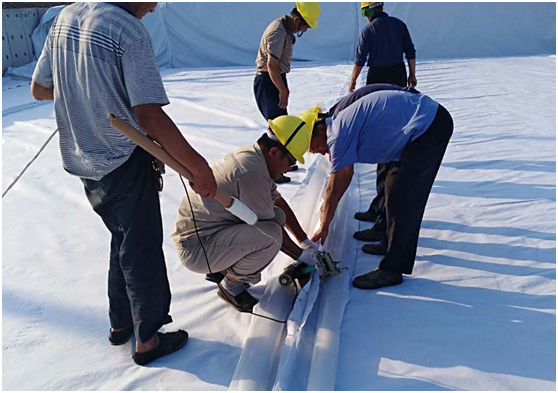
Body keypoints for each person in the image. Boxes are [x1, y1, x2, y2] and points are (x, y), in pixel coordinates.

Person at [31, 2, 217, 366]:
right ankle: (147, 339)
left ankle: (121, 324)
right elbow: (148, 114)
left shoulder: (65, 17)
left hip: (83, 156)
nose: (155, 6)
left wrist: (84, 96)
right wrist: (198, 166)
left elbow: (40, 88)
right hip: (121, 158)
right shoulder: (127, 31)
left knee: (122, 235)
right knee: (141, 245)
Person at [172, 113, 321, 312]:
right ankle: (231, 287)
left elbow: (278, 203)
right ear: (275, 152)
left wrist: (304, 240)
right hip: (196, 249)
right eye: (291, 161)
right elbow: (271, 235)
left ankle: (224, 267)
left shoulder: (255, 157)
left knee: (278, 217)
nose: (289, 169)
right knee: (271, 236)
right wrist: (303, 256)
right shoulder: (252, 173)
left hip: (210, 233)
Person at [305, 90, 453, 289]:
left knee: (405, 199)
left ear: (321, 129)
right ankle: (387, 239)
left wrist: (324, 224)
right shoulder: (339, 122)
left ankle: (392, 269)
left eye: (318, 147)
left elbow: (339, 181)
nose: (323, 153)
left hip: (428, 127)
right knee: (391, 188)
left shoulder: (337, 133)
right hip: (413, 127)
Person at [348, 2, 418, 249]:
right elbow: (410, 51)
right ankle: (378, 206)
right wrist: (412, 75)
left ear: (367, 11)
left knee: (381, 140)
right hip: (398, 75)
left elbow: (360, 58)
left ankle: (380, 211)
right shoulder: (399, 25)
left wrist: (353, 80)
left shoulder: (368, 31)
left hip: (377, 78)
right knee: (395, 131)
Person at [254, 2, 321, 184]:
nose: (305, 31)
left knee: (282, 123)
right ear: (297, 19)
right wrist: (281, 89)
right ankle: (272, 169)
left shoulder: (286, 30)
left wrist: (283, 86)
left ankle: (284, 161)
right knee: (277, 127)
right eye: (305, 26)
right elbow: (271, 65)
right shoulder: (278, 32)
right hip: (268, 80)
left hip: (275, 79)